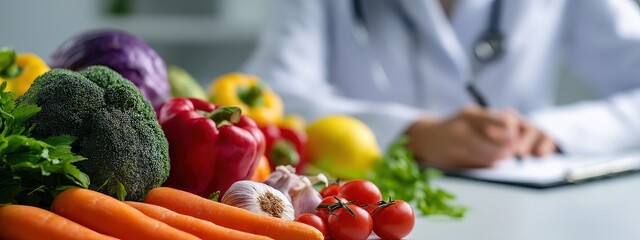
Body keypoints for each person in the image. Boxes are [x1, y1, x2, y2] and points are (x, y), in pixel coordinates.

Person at [243, 0, 640, 169]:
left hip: (519, 205)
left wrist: (554, 132)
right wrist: (411, 134)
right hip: (365, 209)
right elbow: (270, 94)